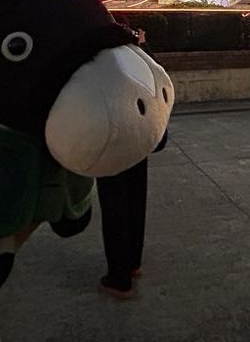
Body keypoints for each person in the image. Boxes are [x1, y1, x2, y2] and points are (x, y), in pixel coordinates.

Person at [97, 24, 167, 299]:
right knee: (136, 200)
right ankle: (133, 262)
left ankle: (119, 278)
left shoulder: (101, 63)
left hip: (112, 142)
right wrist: (143, 45)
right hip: (139, 138)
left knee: (114, 207)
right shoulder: (139, 59)